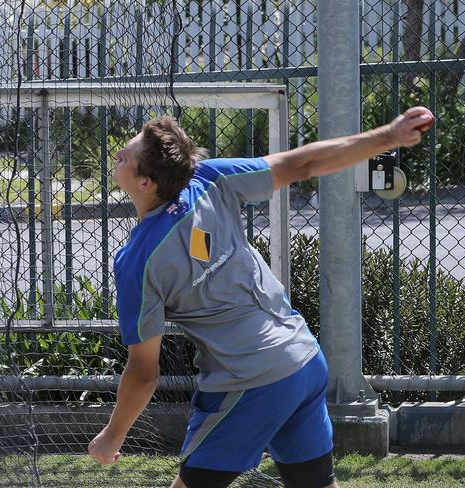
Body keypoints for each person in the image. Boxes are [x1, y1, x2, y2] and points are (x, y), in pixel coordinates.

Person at [88, 107, 434, 488]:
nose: (118, 153)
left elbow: (143, 373)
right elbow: (302, 164)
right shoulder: (210, 177)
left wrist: (112, 436)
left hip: (251, 382)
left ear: (146, 183)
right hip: (303, 360)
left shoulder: (137, 260)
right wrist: (389, 134)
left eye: (126, 155)